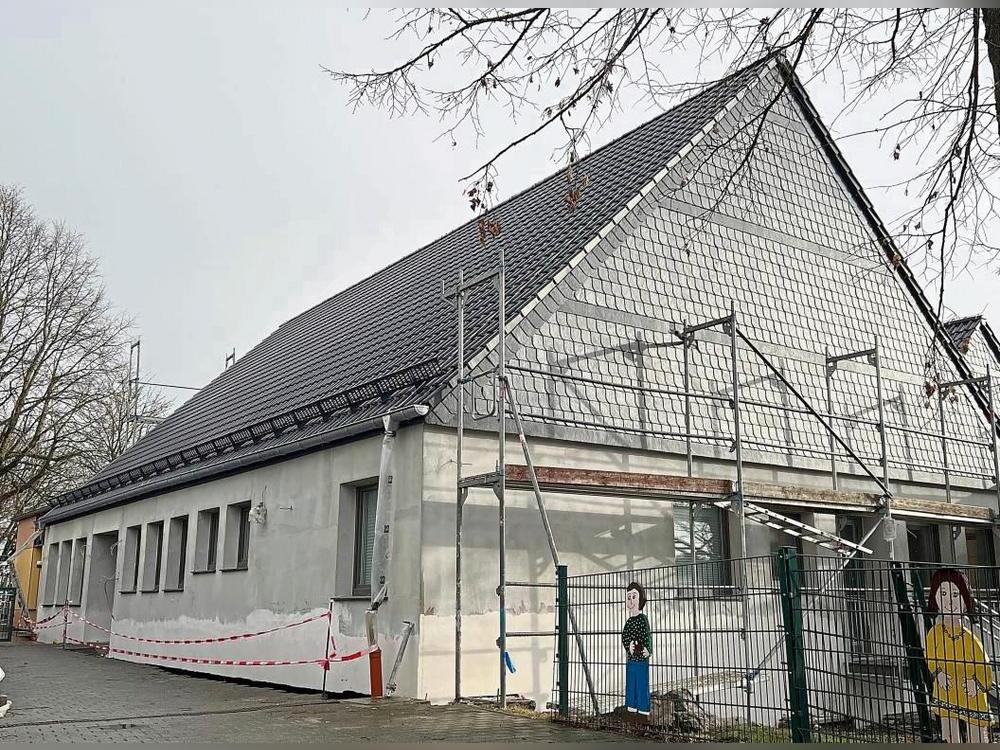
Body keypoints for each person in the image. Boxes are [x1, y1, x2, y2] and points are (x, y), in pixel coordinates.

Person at [925, 568, 993, 743]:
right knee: (949, 734)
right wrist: (938, 673)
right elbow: (931, 658)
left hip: (970, 695)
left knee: (976, 736)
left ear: (965, 599)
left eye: (955, 595)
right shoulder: (934, 634)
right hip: (945, 692)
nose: (949, 602)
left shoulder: (970, 639)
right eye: (944, 593)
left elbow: (985, 666)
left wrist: (977, 683)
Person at [622, 581, 652, 719]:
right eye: (629, 597)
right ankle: (631, 708)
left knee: (641, 683)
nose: (631, 600)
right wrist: (628, 646)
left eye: (634, 596)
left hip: (641, 658)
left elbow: (647, 635)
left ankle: (643, 711)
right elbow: (625, 636)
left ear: (640, 599)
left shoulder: (642, 619)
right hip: (632, 658)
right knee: (631, 683)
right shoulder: (628, 622)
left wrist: (648, 649)